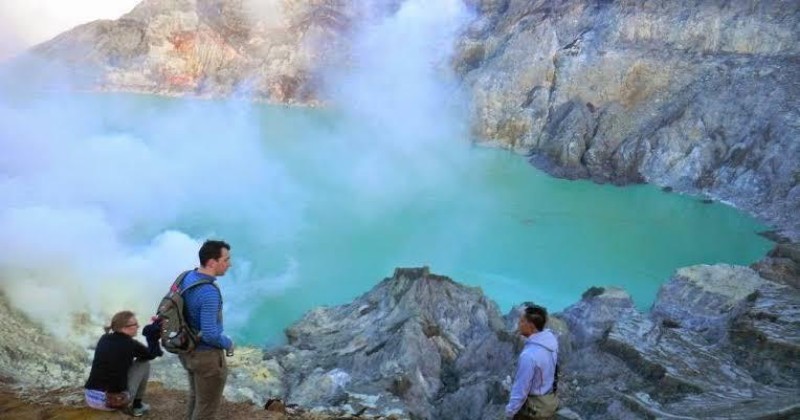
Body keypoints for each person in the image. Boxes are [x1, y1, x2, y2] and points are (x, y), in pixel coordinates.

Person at [178, 239, 235, 420]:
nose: (229, 264)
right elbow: (210, 334)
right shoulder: (208, 292)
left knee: (197, 398)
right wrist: (228, 343)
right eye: (225, 260)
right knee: (206, 409)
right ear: (211, 262)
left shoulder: (187, 277)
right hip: (206, 357)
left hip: (187, 349)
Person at [84, 310, 162, 417]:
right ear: (124, 328)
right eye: (135, 324)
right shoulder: (130, 344)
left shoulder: (104, 338)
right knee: (144, 363)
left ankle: (135, 404)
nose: (138, 326)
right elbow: (151, 354)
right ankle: (137, 406)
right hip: (111, 402)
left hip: (90, 397)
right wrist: (152, 336)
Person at [505, 304, 559, 420]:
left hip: (534, 409)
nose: (519, 324)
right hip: (548, 400)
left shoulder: (529, 356)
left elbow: (521, 390)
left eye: (522, 321)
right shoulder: (551, 340)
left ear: (531, 326)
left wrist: (510, 413)